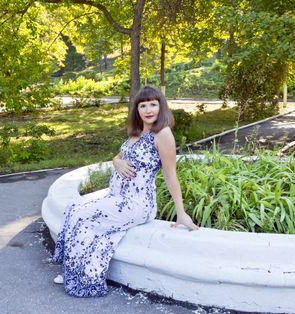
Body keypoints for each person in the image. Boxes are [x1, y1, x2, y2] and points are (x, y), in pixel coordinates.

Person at [52, 85, 199, 297]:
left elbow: (170, 174)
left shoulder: (162, 134)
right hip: (117, 197)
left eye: (153, 104)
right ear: (137, 109)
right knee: (73, 207)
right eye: (143, 105)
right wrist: (116, 162)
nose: (148, 110)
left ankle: (79, 276)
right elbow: (119, 156)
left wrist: (181, 212)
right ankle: (71, 268)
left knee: (83, 216)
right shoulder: (137, 133)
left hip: (137, 203)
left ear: (161, 107)